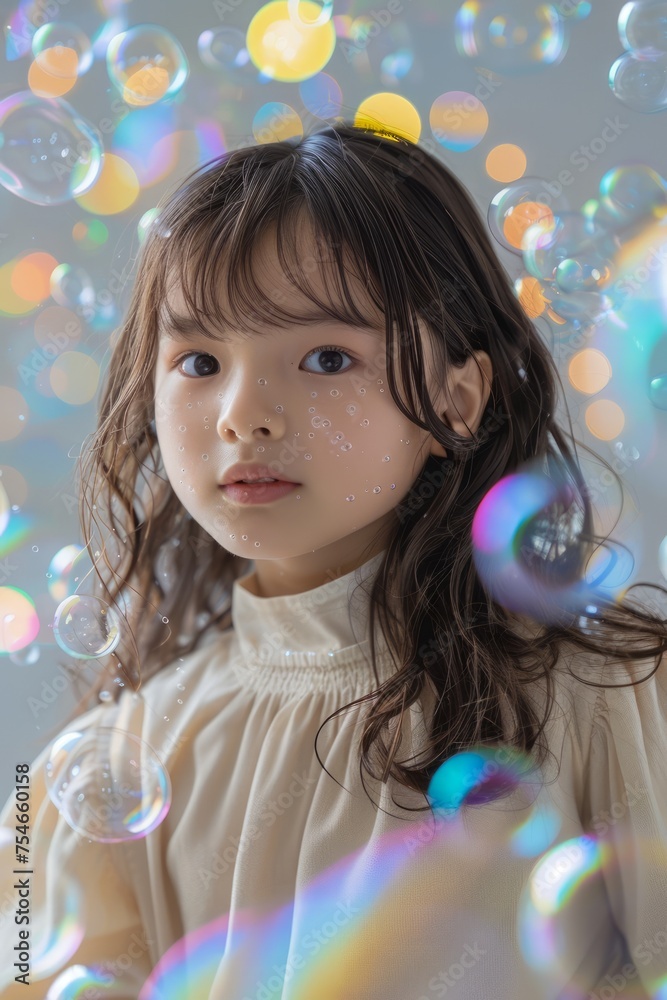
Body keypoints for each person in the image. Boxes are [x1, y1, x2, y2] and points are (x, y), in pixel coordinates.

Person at [1, 121, 666, 1000]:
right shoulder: (101, 768)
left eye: (325, 358)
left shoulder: (605, 688)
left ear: (456, 399)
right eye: (199, 360)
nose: (245, 413)